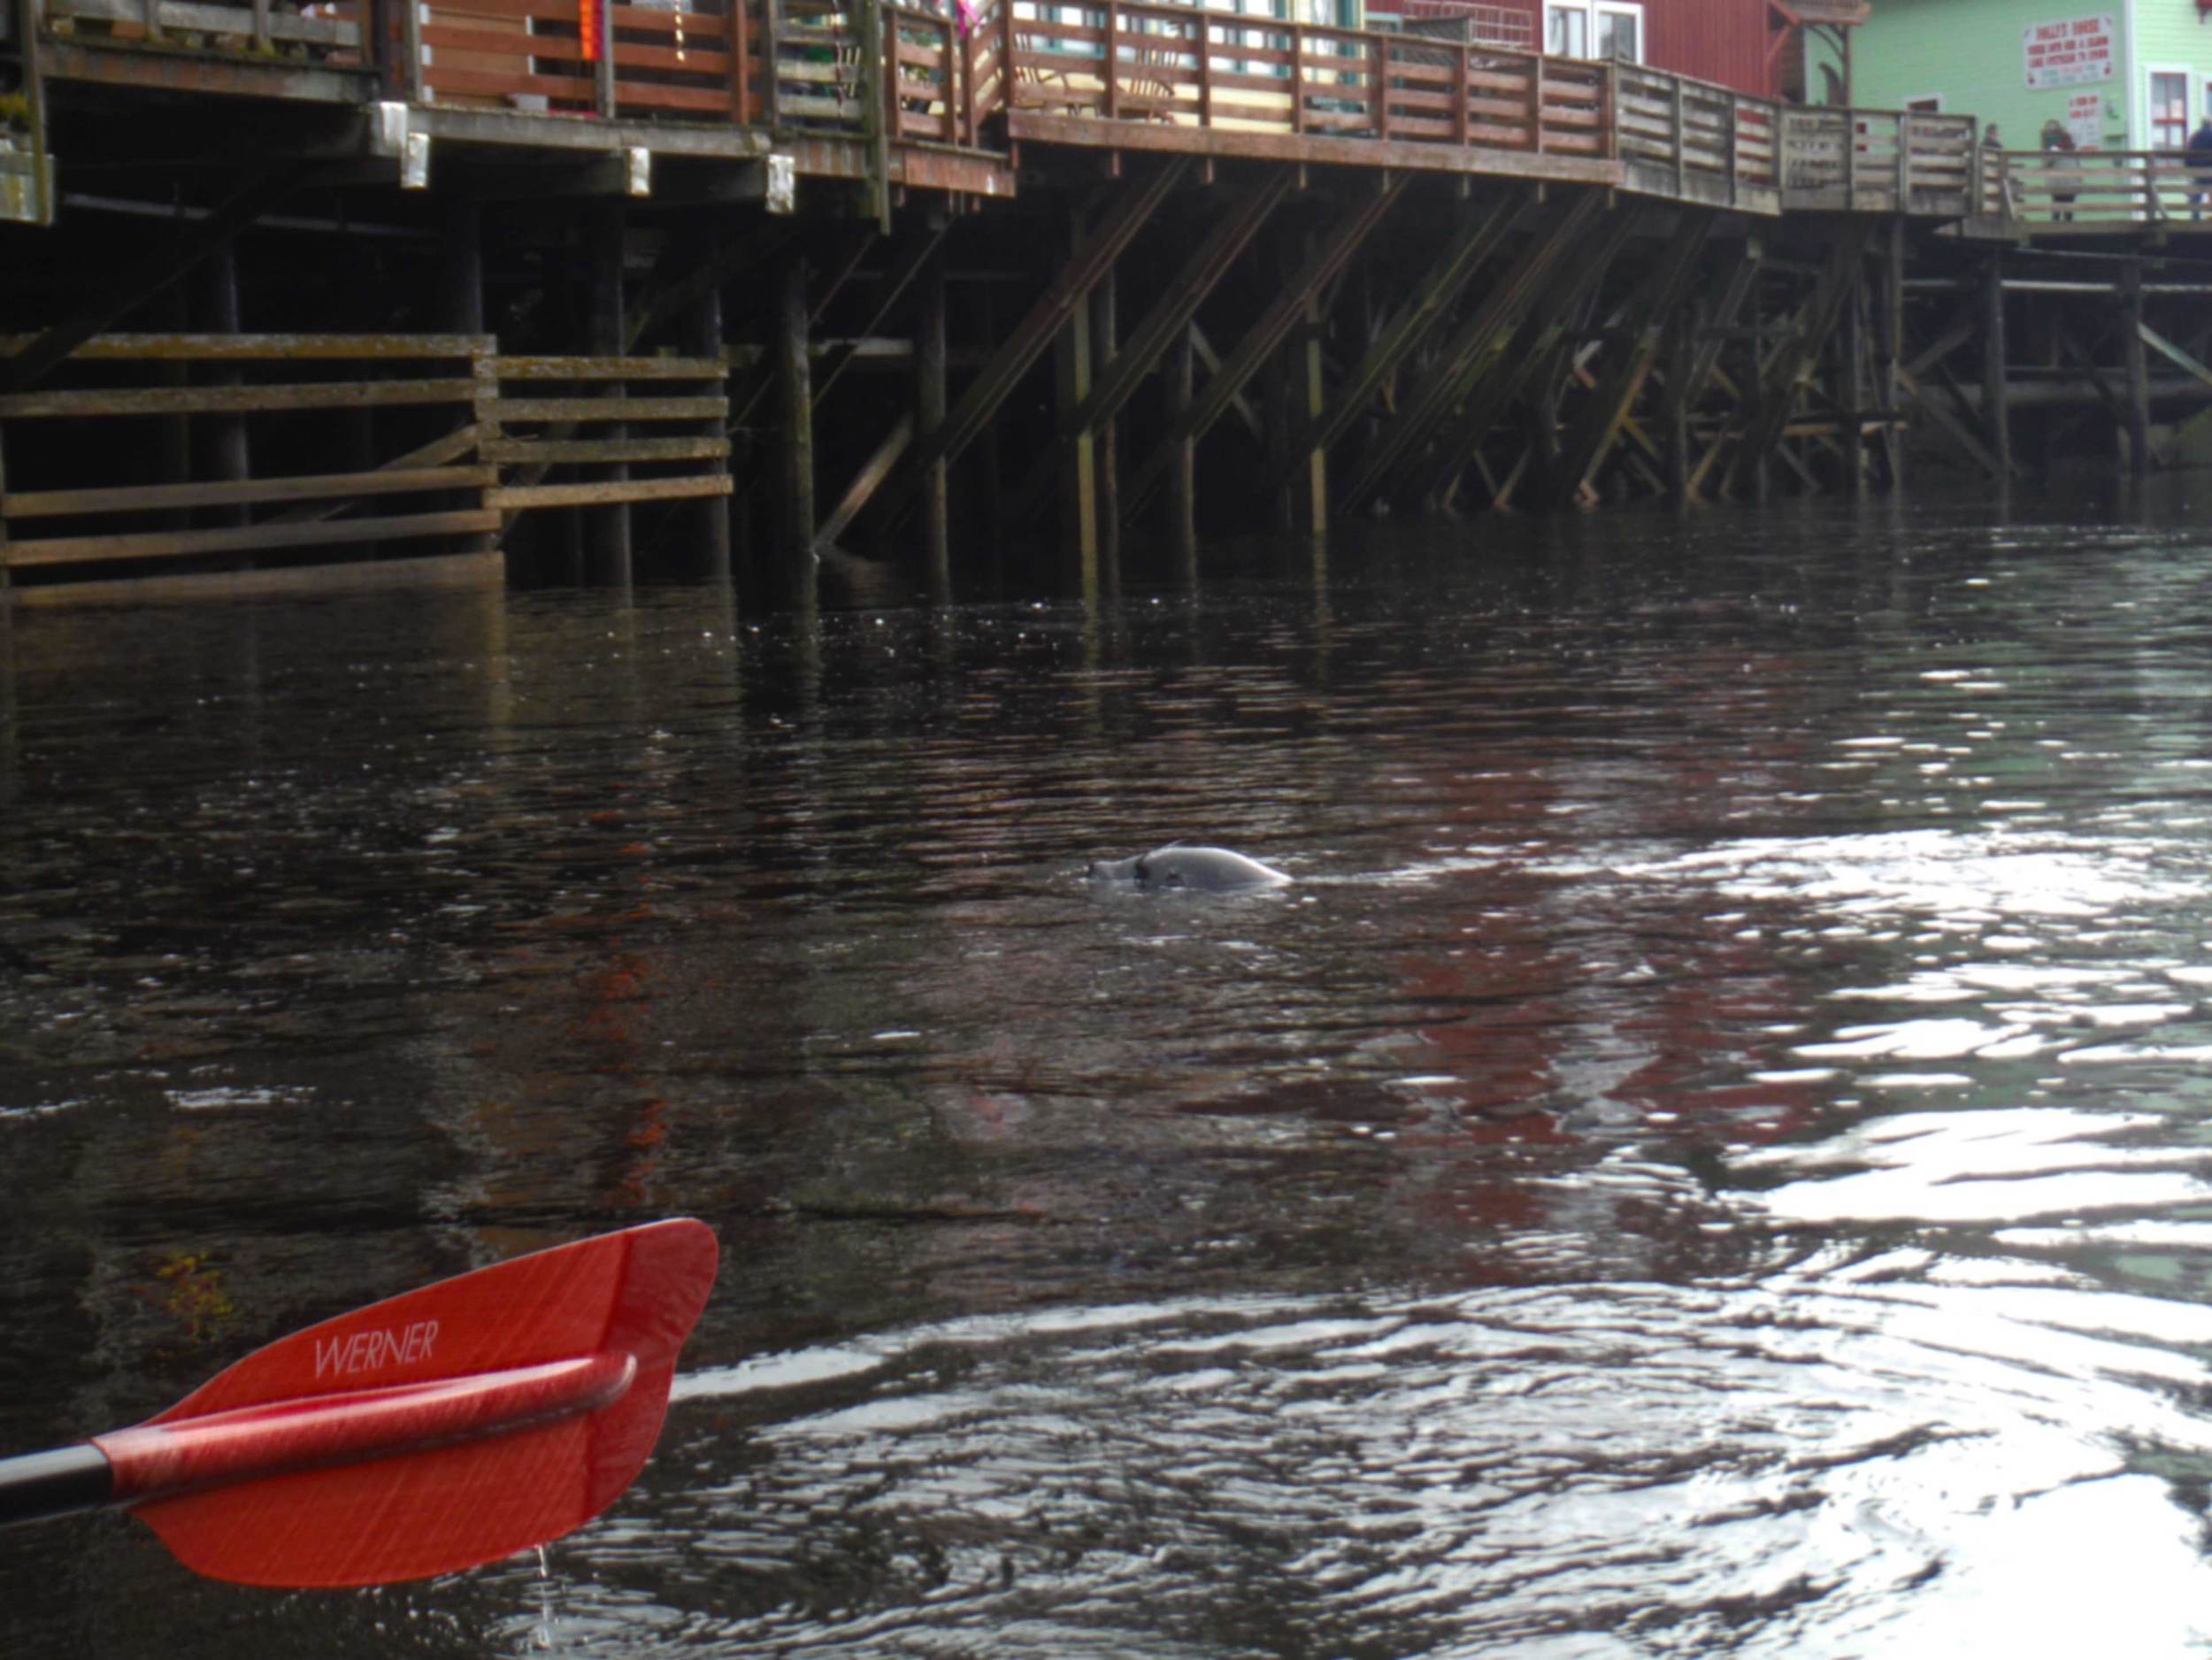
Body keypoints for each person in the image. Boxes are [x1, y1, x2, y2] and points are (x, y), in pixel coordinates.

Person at [2041, 119, 2078, 223]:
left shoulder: (2054, 148)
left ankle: (2055, 227)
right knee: (2069, 210)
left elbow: (2046, 164)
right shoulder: (2072, 149)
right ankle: (2069, 228)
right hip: (2072, 183)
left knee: (2056, 209)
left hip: (2057, 184)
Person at [2188, 115, 2212, 221]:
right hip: (2209, 171)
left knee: (2196, 195)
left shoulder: (2195, 136)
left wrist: (2189, 169)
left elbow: (2188, 154)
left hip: (2197, 171)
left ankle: (2195, 217)